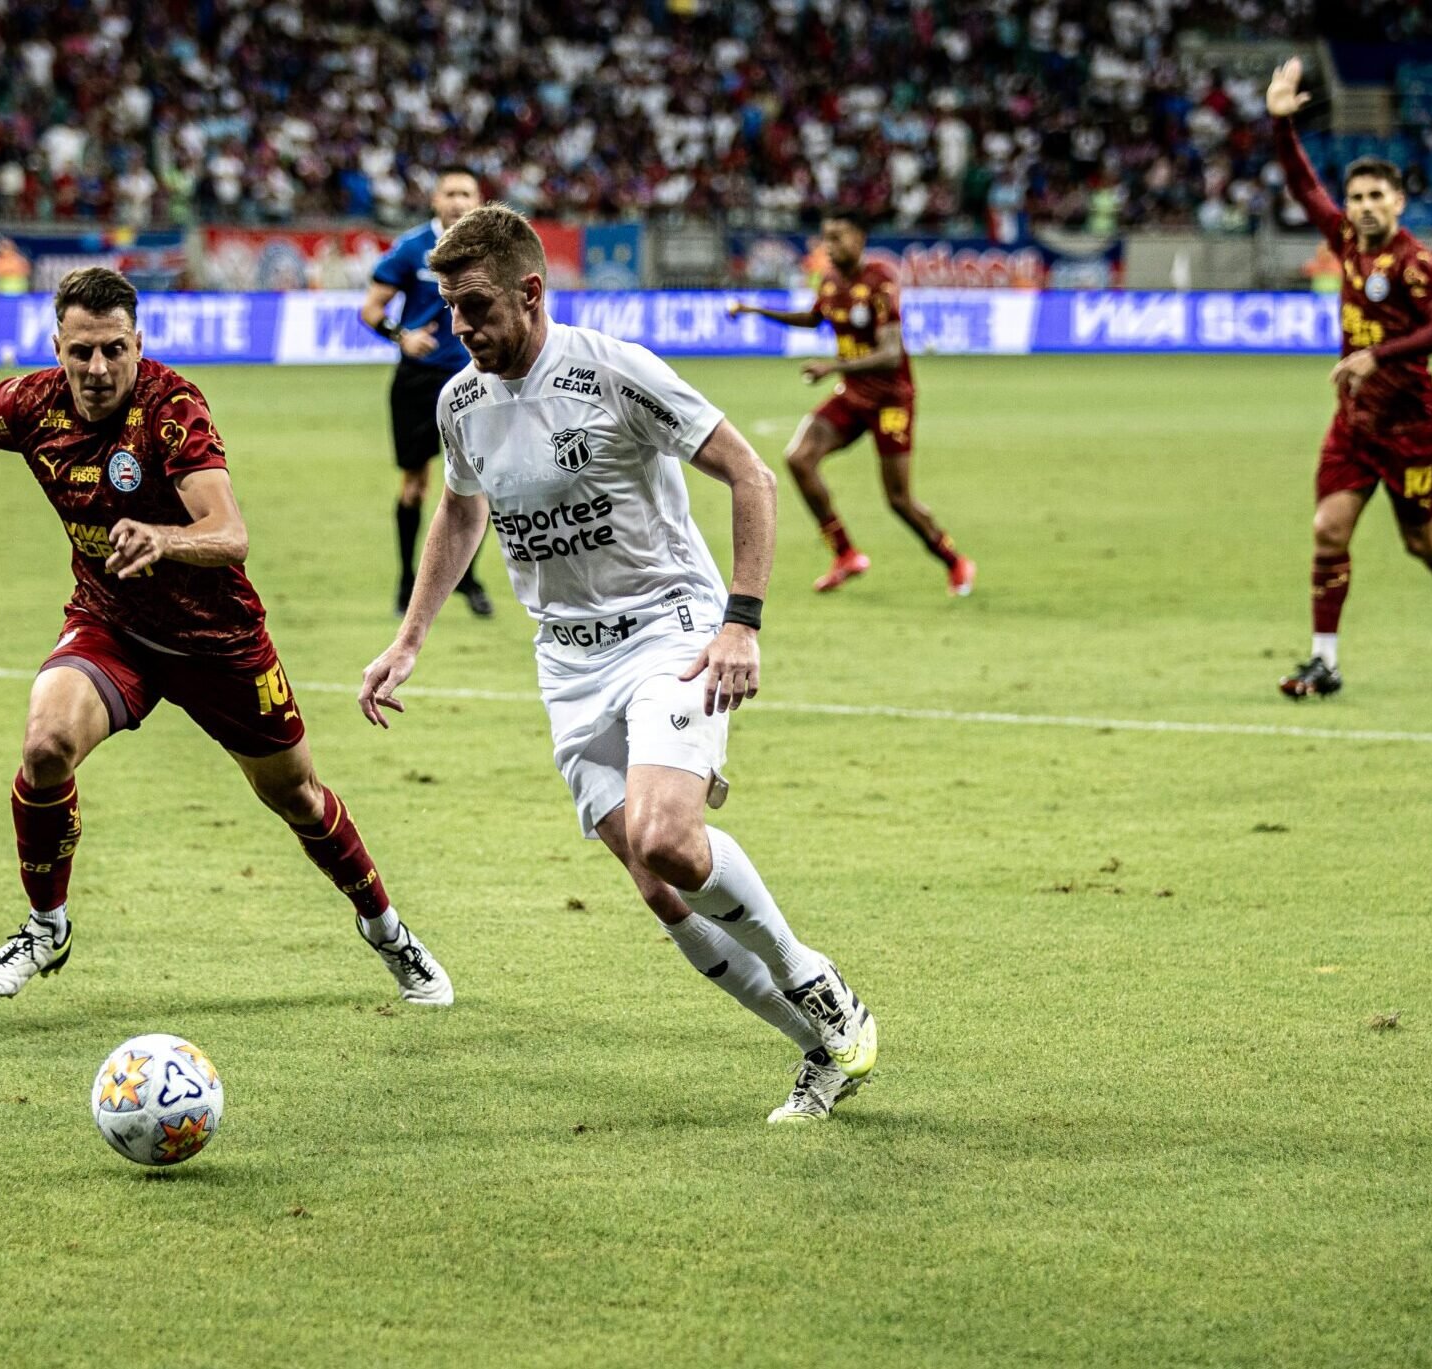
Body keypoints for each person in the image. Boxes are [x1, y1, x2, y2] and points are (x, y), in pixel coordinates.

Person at [359, 206, 876, 1123]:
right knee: (657, 888)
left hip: (668, 631)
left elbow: (751, 475)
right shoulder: (461, 402)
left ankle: (814, 978)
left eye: (475, 307)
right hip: (566, 661)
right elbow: (460, 511)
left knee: (667, 840)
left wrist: (741, 624)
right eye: (448, 309)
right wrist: (410, 639)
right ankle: (820, 1052)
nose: (460, 329)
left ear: (531, 292)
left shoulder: (613, 372)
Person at [0, 267, 452, 1006]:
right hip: (114, 626)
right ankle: (45, 926)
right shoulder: (30, 403)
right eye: (81, 352)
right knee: (45, 746)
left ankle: (388, 931)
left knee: (297, 795)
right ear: (58, 348)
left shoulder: (172, 408)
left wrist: (166, 542)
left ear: (138, 343)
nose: (98, 369)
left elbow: (231, 534)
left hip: (219, 641)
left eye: (113, 349)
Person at [1265, 57, 1432, 696]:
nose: (1365, 207)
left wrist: (1380, 355)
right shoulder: (1344, 240)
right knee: (1327, 529)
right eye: (1357, 197)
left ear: (1398, 202)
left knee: (1422, 543)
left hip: (1411, 427)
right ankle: (1326, 662)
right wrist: (1281, 123)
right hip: (1355, 423)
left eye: (1377, 197)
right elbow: (1300, 186)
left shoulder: (1416, 262)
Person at [727, 211, 975, 597]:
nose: (830, 245)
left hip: (892, 399)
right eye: (826, 238)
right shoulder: (829, 282)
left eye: (838, 237)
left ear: (860, 238)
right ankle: (845, 553)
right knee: (799, 458)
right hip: (853, 395)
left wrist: (834, 366)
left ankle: (954, 561)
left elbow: (892, 353)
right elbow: (813, 319)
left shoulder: (880, 280)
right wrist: (757, 310)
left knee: (898, 500)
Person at [359, 165, 494, 617]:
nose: (458, 201)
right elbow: (370, 309)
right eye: (450, 193)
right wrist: (403, 337)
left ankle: (467, 578)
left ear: (478, 200)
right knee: (415, 484)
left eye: (466, 192)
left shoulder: (493, 248)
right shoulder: (412, 248)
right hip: (418, 381)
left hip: (477, 380)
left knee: (482, 486)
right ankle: (406, 580)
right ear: (435, 200)